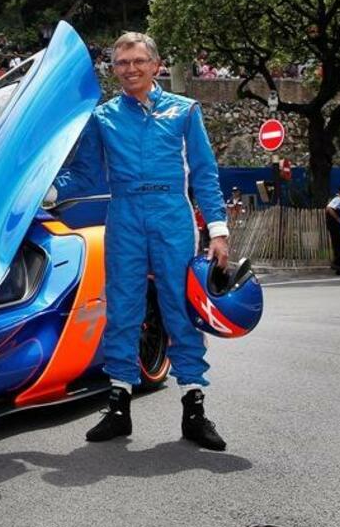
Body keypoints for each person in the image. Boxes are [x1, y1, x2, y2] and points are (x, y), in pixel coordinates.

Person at [54, 31, 229, 451]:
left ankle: (194, 407)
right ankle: (118, 406)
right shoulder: (103, 117)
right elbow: (85, 174)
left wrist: (218, 229)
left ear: (155, 65)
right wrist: (47, 192)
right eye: (121, 63)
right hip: (125, 213)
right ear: (113, 70)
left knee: (178, 307)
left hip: (172, 214)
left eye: (137, 61)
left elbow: (204, 173)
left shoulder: (186, 111)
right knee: (123, 306)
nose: (130, 69)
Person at [325, 186, 340, 274]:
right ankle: (337, 264)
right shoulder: (337, 199)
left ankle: (339, 267)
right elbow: (329, 208)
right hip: (335, 227)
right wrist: (337, 218)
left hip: (337, 227)